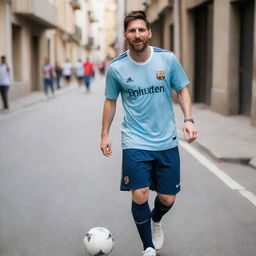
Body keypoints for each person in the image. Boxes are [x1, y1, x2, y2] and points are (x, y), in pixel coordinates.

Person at [100, 11, 197, 256]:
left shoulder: (167, 60)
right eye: (132, 30)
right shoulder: (117, 68)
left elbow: (182, 89)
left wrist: (188, 119)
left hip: (166, 139)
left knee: (167, 199)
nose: (137, 35)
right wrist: (104, 134)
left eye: (141, 30)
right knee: (140, 194)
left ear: (149, 32)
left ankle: (156, 220)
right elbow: (110, 101)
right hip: (134, 140)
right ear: (125, 35)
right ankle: (148, 248)